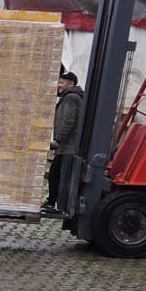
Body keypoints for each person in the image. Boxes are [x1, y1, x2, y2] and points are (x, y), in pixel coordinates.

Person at [44, 69, 82, 213]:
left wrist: (58, 140)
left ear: (71, 83)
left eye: (61, 82)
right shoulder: (70, 97)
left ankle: (55, 205)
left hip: (68, 146)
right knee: (56, 175)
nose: (58, 85)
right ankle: (52, 203)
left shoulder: (71, 97)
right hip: (66, 146)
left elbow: (68, 121)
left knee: (57, 176)